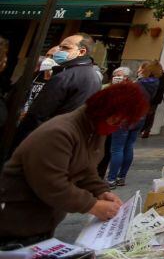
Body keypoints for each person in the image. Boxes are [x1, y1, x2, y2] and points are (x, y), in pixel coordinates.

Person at [0, 82, 148, 246]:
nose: (116, 127)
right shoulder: (59, 133)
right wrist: (93, 205)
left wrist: (101, 191)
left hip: (40, 223)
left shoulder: (95, 129)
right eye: (115, 121)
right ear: (103, 110)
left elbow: (86, 169)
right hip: (13, 222)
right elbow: (52, 184)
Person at [13, 34, 101, 148]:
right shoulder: (92, 76)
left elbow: (38, 114)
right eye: (60, 47)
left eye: (65, 48)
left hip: (44, 139)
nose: (58, 51)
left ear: (82, 52)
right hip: (65, 139)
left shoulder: (65, 76)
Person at [105, 64, 159, 186]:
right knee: (128, 147)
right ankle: (121, 177)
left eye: (140, 68)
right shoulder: (151, 84)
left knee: (117, 149)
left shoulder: (135, 85)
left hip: (124, 119)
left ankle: (111, 179)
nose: (138, 70)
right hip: (139, 118)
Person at [140, 65, 164, 138]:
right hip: (146, 98)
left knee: (149, 114)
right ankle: (142, 129)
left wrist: (156, 87)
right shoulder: (148, 75)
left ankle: (146, 130)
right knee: (144, 114)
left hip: (155, 99)